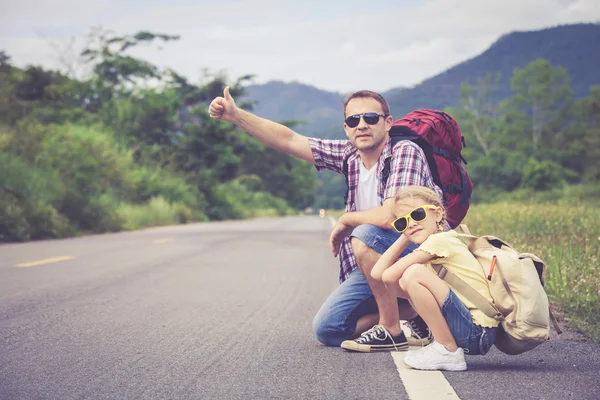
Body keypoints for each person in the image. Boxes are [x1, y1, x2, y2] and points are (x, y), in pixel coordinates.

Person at [208, 87, 442, 351]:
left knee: (363, 232)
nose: (362, 125)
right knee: (329, 330)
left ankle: (391, 330)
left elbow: (391, 217)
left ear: (388, 123)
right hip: (378, 261)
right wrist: (236, 115)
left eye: (371, 118)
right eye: (354, 120)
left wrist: (346, 220)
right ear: (346, 128)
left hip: (419, 254)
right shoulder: (349, 156)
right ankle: (414, 311)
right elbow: (289, 140)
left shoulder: (404, 152)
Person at [371, 186, 498, 370]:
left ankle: (448, 349)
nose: (411, 223)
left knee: (412, 273)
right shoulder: (430, 248)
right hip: (472, 332)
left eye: (418, 214)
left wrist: (404, 287)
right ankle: (444, 346)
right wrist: (407, 235)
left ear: (437, 214)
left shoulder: (440, 241)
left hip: (477, 332)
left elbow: (388, 275)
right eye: (403, 222)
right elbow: (377, 274)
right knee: (411, 276)